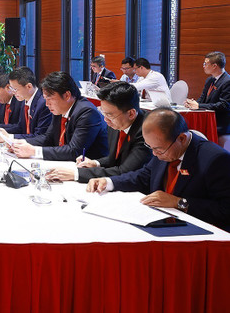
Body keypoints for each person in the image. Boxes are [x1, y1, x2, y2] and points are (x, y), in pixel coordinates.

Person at [87, 108, 230, 232]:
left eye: (158, 149)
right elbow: (144, 176)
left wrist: (179, 202)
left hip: (199, 231)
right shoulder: (164, 147)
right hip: (161, 222)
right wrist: (109, 182)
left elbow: (225, 209)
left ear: (181, 138)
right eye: (150, 147)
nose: (154, 154)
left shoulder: (215, 160)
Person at [46, 81, 151, 183]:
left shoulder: (147, 131)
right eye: (103, 113)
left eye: (109, 115)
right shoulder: (116, 122)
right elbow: (114, 158)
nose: (105, 120)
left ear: (131, 113)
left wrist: (76, 174)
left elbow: (125, 171)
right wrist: (95, 163)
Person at [10, 71, 108, 161]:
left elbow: (74, 151)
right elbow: (48, 138)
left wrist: (35, 151)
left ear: (67, 95)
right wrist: (22, 143)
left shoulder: (87, 112)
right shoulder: (60, 109)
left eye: (50, 99)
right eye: (45, 99)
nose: (47, 104)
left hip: (88, 169)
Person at [0, 66, 52, 140]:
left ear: (29, 86)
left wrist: (9, 137)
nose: (13, 92)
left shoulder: (43, 104)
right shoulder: (24, 100)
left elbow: (39, 136)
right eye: (11, 88)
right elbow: (20, 127)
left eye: (15, 89)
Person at [185, 51, 230, 146]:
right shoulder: (210, 80)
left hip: (219, 122)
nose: (203, 66)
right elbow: (202, 99)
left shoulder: (227, 81)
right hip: (208, 119)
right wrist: (192, 104)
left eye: (205, 64)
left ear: (214, 66)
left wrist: (199, 106)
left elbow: (224, 105)